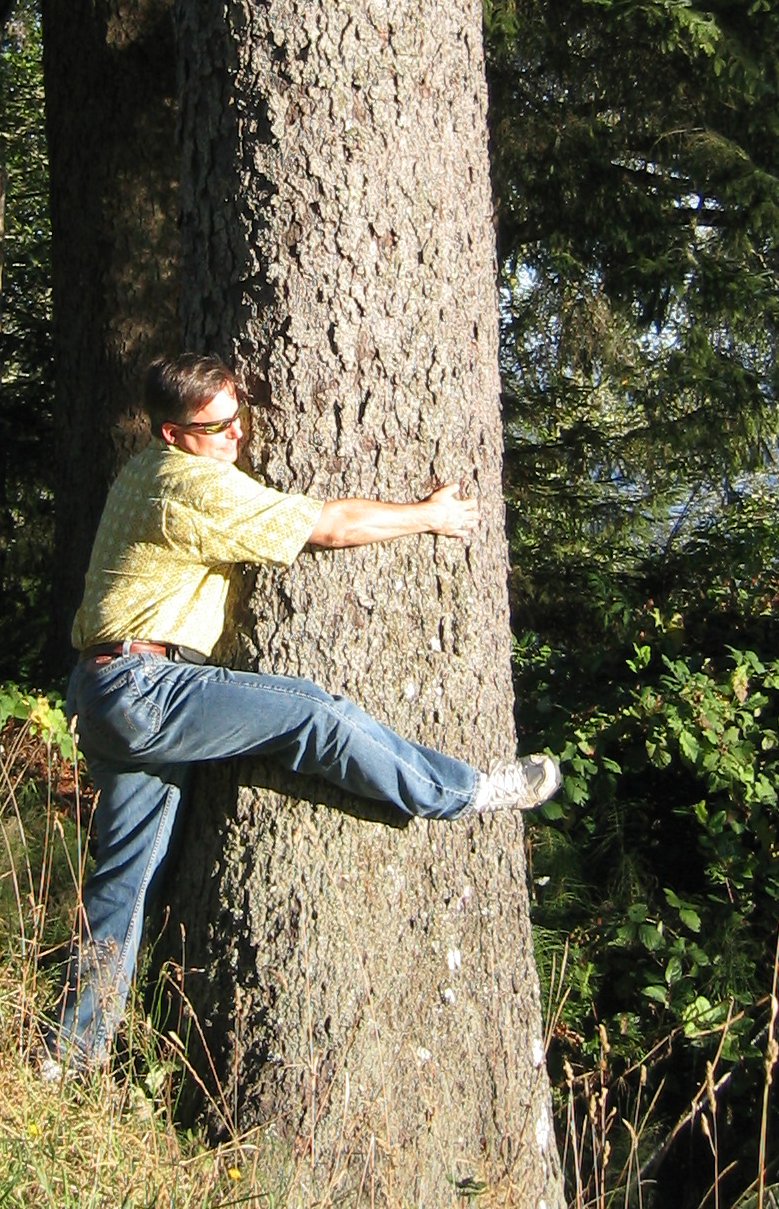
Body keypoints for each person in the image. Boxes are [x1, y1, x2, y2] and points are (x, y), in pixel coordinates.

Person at [44, 350, 561, 1071]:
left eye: (237, 418)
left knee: (124, 879)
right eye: (216, 425)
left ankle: (68, 1053)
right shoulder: (189, 484)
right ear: (171, 433)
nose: (236, 436)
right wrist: (430, 516)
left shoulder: (144, 469)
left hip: (104, 692)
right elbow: (327, 524)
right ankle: (465, 791)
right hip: (142, 688)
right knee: (311, 712)